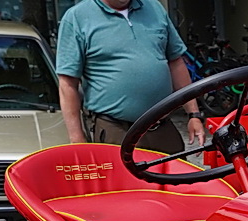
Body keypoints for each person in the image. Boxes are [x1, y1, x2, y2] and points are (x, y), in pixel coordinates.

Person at [55, 0, 207, 155]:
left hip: (161, 126)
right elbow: (68, 83)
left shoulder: (154, 7)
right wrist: (77, 139)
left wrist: (193, 114)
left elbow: (176, 62)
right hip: (115, 129)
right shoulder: (77, 17)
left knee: (175, 169)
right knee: (119, 171)